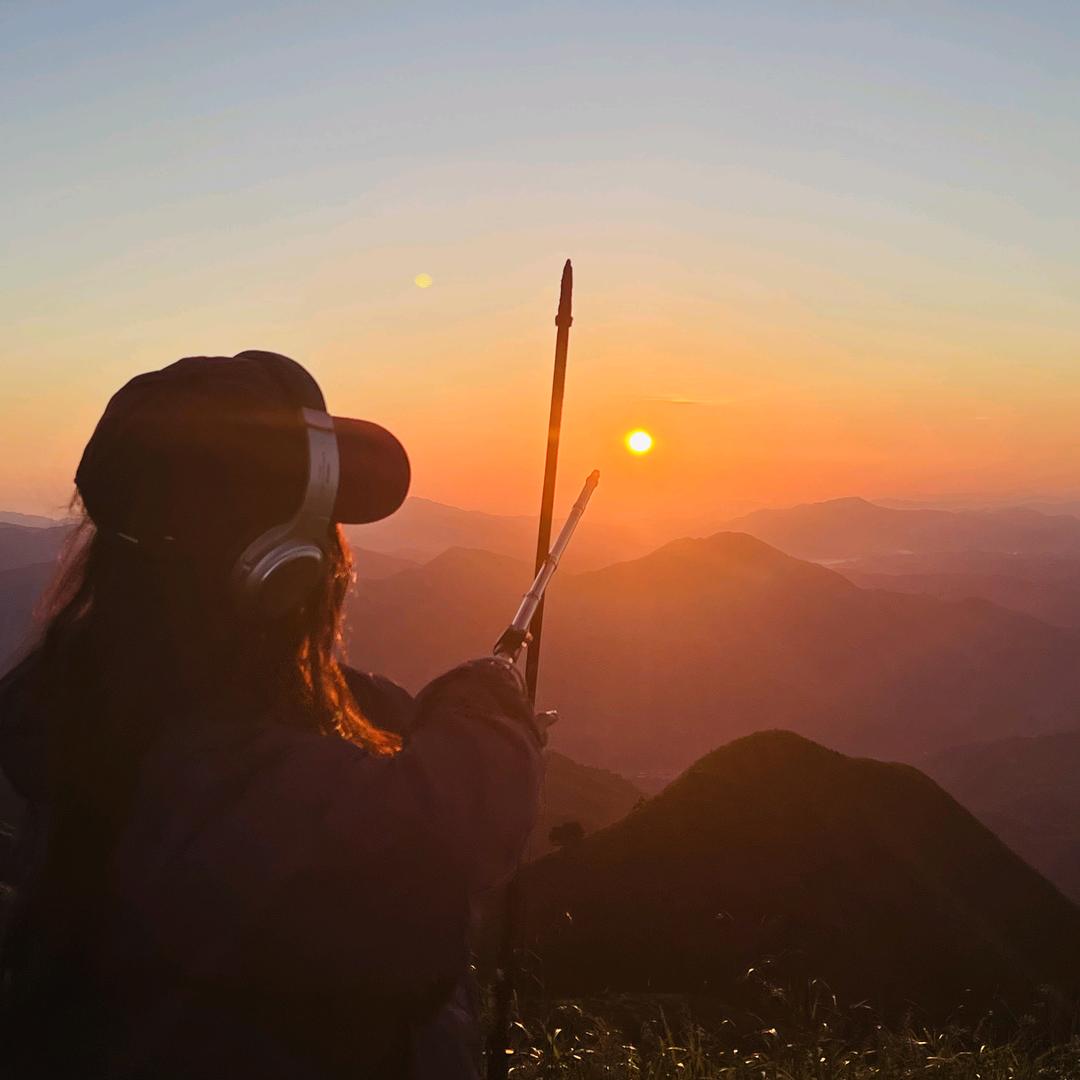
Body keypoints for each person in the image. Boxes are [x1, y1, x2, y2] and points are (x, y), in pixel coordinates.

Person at [0, 351, 544, 1079]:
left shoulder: (84, 710)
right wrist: (483, 703)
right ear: (275, 567)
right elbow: (451, 828)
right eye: (321, 528)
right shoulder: (210, 779)